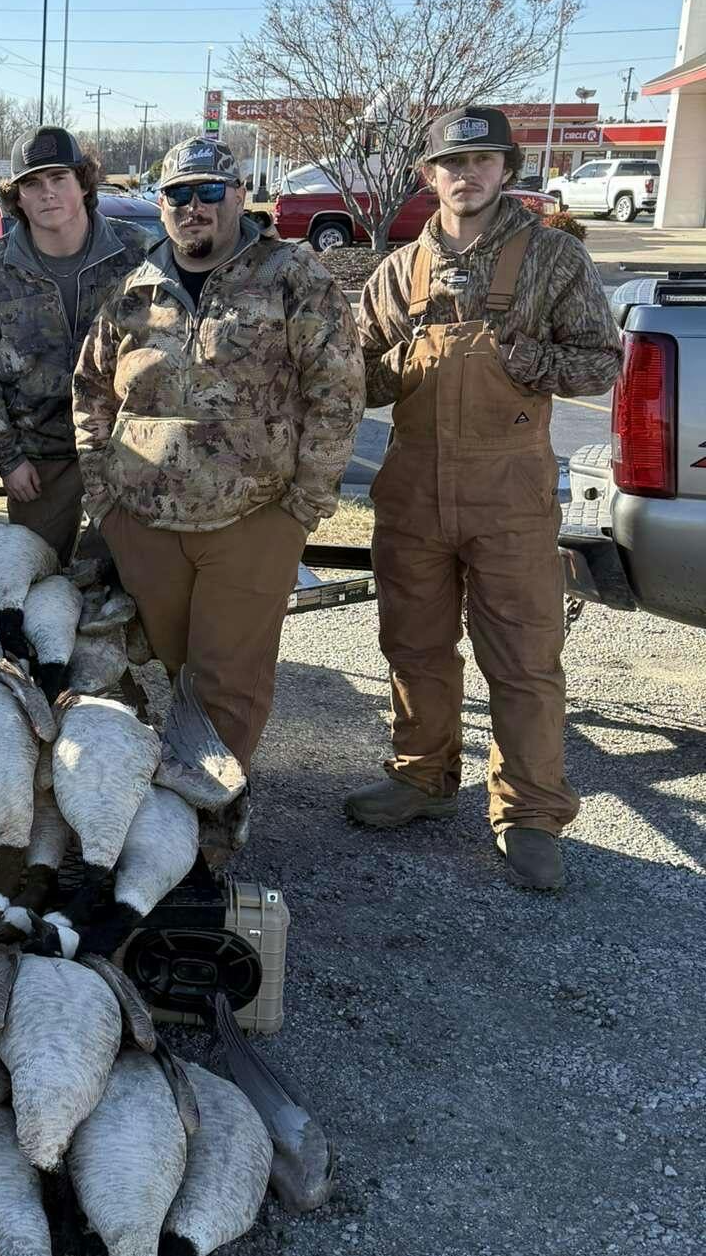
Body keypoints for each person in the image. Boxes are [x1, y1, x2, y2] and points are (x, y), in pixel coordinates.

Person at [344, 105, 621, 893]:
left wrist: (518, 354)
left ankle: (529, 812)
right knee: (413, 645)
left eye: (483, 161)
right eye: (452, 164)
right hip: (413, 487)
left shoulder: (554, 259)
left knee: (524, 658)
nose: (467, 176)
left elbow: (600, 364)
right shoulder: (399, 271)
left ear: (507, 169)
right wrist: (402, 362)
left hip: (510, 491)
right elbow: (354, 377)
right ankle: (421, 776)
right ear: (428, 174)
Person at [74, 136, 365, 776]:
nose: (193, 207)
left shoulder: (292, 277)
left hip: (252, 520)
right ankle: (187, 792)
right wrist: (103, 497)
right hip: (144, 522)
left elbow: (339, 391)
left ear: (238, 195)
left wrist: (303, 505)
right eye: (178, 194)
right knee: (176, 664)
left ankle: (213, 815)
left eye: (209, 191)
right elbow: (91, 390)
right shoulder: (136, 288)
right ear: (162, 204)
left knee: (227, 680)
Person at [0, 126, 146, 554]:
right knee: (37, 574)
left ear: (83, 183)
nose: (47, 193)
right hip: (37, 459)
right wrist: (8, 458)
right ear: (17, 197)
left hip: (126, 453)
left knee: (123, 577)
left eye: (59, 178)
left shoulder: (138, 253)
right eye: (32, 183)